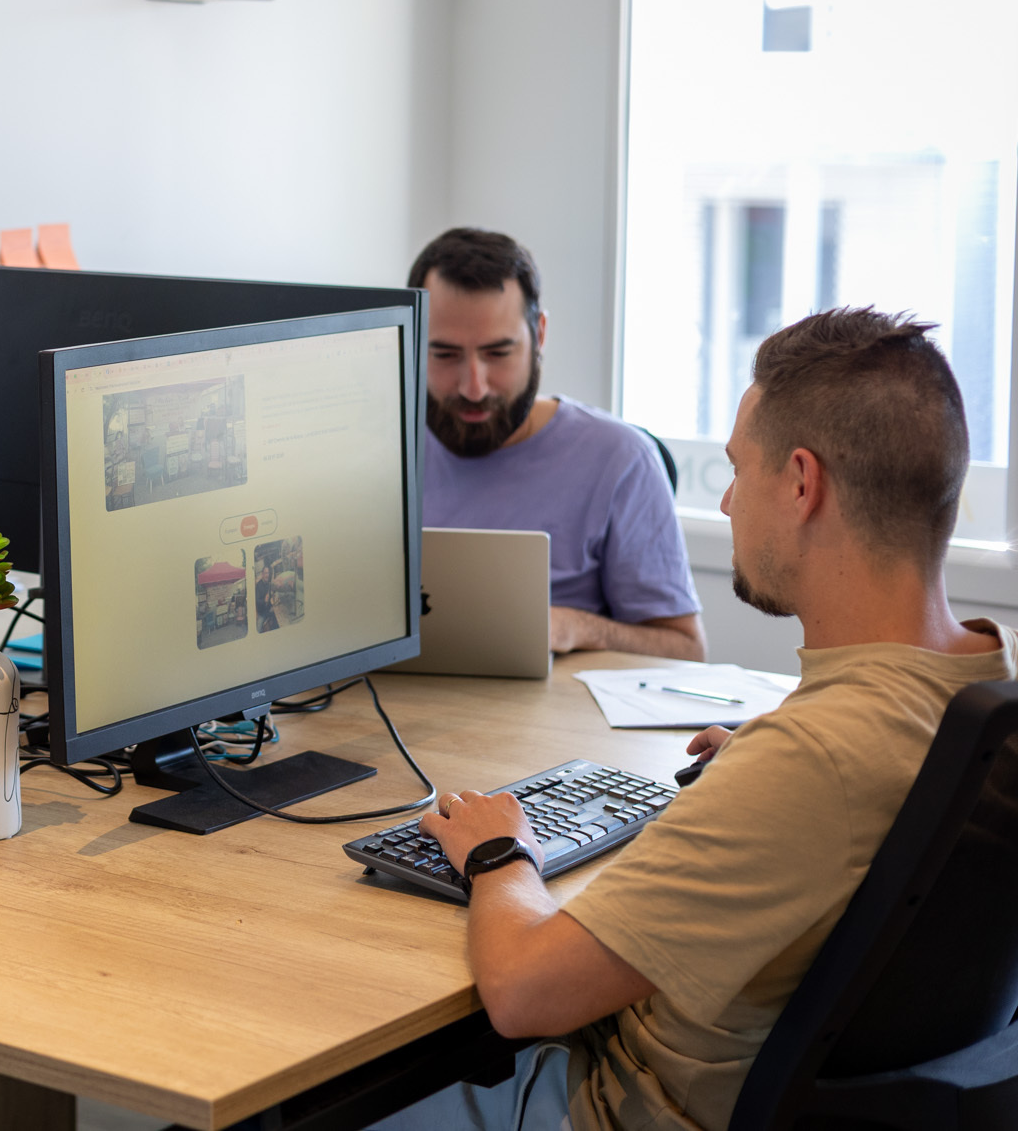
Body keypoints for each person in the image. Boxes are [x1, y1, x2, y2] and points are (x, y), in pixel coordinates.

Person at [377, 308, 1015, 1131]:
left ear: (802, 483)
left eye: (739, 468)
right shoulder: (984, 685)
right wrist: (766, 769)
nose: (727, 497)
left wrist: (499, 851)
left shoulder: (811, 759)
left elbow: (522, 991)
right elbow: (862, 779)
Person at [410, 228, 704, 660]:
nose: (474, 387)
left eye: (498, 353)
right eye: (445, 355)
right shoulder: (380, 445)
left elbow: (686, 651)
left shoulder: (620, 458)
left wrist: (578, 627)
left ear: (540, 335)